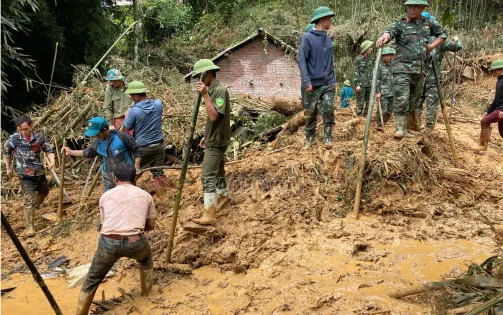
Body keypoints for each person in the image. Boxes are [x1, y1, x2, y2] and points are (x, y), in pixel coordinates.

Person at [75, 163, 155, 315]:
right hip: (135, 241)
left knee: (92, 279)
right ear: (135, 178)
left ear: (115, 178)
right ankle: (147, 296)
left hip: (109, 243)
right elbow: (150, 225)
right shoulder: (146, 196)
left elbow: (105, 224)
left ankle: (80, 313)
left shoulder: (105, 196)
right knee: (146, 261)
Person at [376, 0, 446, 139]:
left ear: (422, 8)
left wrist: (431, 47)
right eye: (409, 7)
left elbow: (442, 35)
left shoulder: (428, 24)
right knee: (402, 97)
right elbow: (390, 32)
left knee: (413, 100)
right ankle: (399, 129)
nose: (412, 9)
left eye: (415, 7)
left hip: (419, 70)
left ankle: (406, 128)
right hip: (402, 69)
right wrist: (384, 37)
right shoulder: (400, 24)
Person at [186, 59, 231, 228]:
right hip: (214, 137)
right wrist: (207, 135)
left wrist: (205, 95)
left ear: (209, 74)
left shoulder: (218, 90)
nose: (198, 79)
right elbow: (213, 121)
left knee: (207, 176)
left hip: (218, 141)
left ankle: (210, 212)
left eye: (200, 76)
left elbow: (214, 116)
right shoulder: (213, 90)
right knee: (218, 170)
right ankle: (222, 195)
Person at [3, 116, 56, 234]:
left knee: (44, 191)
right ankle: (30, 227)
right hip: (25, 174)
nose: (23, 132)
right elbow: (7, 153)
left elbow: (48, 150)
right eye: (20, 129)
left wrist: (52, 161)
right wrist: (8, 168)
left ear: (31, 126)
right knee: (28, 199)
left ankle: (34, 206)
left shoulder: (38, 138)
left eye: (25, 129)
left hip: (39, 172)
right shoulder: (14, 140)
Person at [62, 117, 141, 192]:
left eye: (97, 133)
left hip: (125, 177)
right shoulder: (98, 141)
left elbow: (136, 149)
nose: (95, 135)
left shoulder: (120, 137)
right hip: (108, 178)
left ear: (105, 130)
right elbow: (88, 152)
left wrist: (136, 167)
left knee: (126, 199)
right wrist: (70, 152)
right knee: (109, 200)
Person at [416, 13, 462, 131]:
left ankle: (415, 125)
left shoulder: (416, 39)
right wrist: (456, 39)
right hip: (433, 78)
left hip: (418, 76)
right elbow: (457, 46)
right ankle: (429, 128)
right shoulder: (439, 40)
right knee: (432, 103)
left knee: (417, 102)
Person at [299, 6, 336, 148]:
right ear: (322, 19)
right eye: (329, 19)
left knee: (328, 109)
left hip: (328, 83)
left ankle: (327, 138)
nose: (331, 22)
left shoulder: (328, 39)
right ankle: (309, 139)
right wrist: (306, 81)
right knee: (311, 112)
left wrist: (332, 77)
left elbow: (330, 59)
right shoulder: (307, 37)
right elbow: (302, 60)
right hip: (313, 84)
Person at [123, 81, 166, 194]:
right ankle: (162, 196)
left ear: (137, 95)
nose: (131, 98)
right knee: (158, 172)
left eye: (132, 96)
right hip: (159, 145)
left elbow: (128, 126)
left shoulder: (134, 110)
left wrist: (127, 116)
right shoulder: (158, 104)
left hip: (142, 148)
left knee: (132, 172)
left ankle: (129, 195)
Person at [473, 60, 503, 153]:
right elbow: (496, 99)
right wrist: (488, 110)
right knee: (502, 132)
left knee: (485, 121)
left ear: (501, 69)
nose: (492, 72)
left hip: (502, 110)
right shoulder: (499, 81)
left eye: (494, 70)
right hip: (500, 109)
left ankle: (482, 145)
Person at [103, 69, 133, 136]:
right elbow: (107, 108)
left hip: (132, 119)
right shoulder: (110, 89)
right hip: (118, 121)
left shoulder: (130, 87)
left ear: (120, 79)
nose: (113, 83)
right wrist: (110, 124)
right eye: (111, 81)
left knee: (133, 141)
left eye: (115, 80)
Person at [376, 47, 396, 128]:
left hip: (392, 91)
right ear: (382, 56)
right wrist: (378, 92)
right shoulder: (379, 66)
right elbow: (376, 80)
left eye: (389, 55)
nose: (387, 57)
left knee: (390, 111)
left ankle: (383, 122)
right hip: (383, 92)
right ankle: (379, 125)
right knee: (383, 110)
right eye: (386, 55)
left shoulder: (393, 65)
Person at [354, 40, 374, 116]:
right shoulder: (358, 59)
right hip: (361, 85)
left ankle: (365, 117)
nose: (371, 49)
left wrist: (372, 81)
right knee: (360, 102)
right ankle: (358, 117)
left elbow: (370, 72)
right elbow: (356, 72)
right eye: (370, 47)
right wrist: (357, 85)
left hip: (369, 84)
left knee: (369, 102)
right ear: (366, 49)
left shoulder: (369, 59)